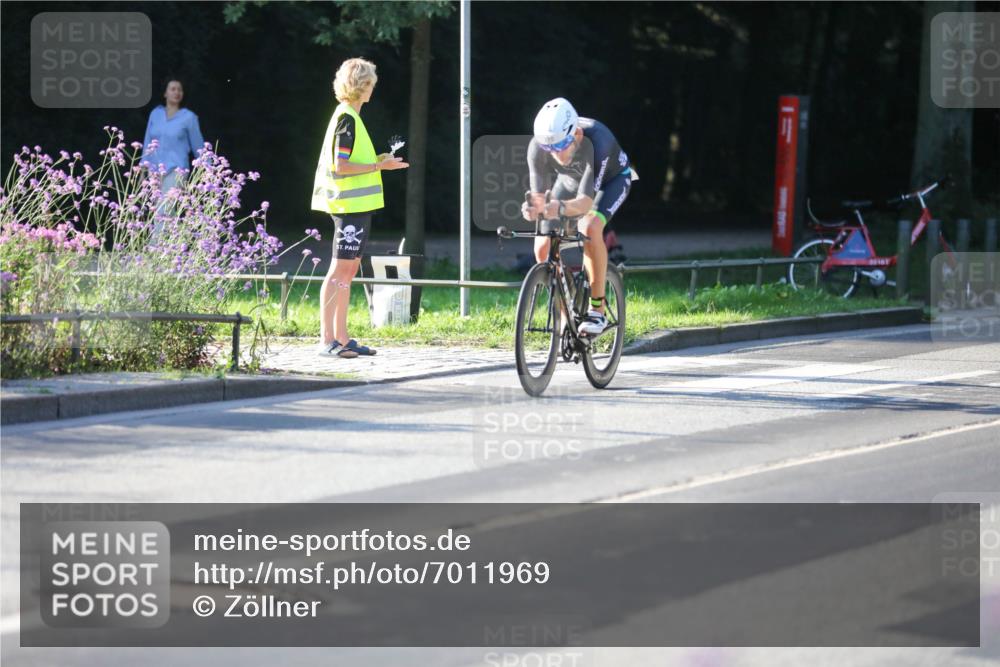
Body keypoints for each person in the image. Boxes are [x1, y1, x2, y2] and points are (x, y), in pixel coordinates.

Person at [310, 58, 408, 358]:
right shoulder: (347, 119)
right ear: (361, 86)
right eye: (370, 85)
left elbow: (350, 161)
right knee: (340, 270)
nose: (372, 90)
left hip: (357, 206)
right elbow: (341, 166)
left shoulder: (350, 116)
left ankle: (342, 336)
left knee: (348, 270)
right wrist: (379, 165)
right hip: (348, 206)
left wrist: (379, 161)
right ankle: (328, 340)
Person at [522, 97, 636, 336]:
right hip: (570, 181)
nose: (554, 154)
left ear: (576, 136)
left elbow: (584, 202)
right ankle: (567, 313)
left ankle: (598, 311)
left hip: (611, 181)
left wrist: (559, 208)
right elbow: (539, 196)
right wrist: (533, 208)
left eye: (560, 146)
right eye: (548, 149)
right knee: (542, 247)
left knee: (590, 227)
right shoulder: (538, 145)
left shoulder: (598, 142)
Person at [142, 77, 206, 235]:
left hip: (177, 170)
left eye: (180, 89)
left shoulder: (189, 118)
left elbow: (199, 146)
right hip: (154, 169)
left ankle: (154, 251)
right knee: (157, 210)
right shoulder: (155, 114)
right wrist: (142, 168)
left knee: (165, 209)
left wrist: (210, 171)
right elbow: (147, 141)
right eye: (173, 89)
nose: (177, 92)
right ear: (165, 93)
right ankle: (170, 251)